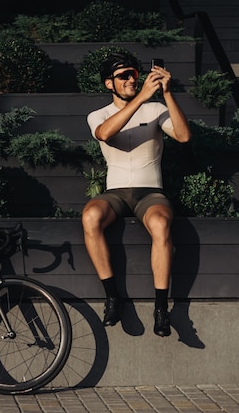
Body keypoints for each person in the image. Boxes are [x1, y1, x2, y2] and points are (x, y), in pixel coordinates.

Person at [82, 52, 191, 337]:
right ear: (109, 84)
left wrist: (166, 94)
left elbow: (183, 136)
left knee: (160, 224)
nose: (132, 79)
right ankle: (112, 297)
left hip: (150, 193)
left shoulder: (155, 109)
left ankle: (160, 309)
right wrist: (142, 96)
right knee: (90, 216)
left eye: (134, 74)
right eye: (124, 76)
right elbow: (105, 134)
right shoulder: (98, 114)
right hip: (115, 194)